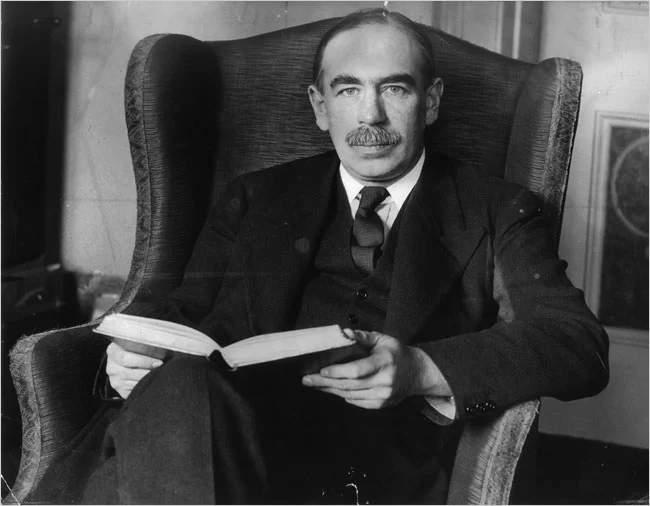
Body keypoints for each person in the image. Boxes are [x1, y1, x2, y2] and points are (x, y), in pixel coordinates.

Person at [31, 8, 609, 505]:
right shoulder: (254, 198)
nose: (371, 116)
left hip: (363, 472)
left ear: (431, 101)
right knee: (181, 392)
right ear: (319, 105)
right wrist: (133, 359)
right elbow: (181, 316)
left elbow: (576, 342)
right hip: (221, 439)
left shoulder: (497, 209)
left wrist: (419, 369)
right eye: (348, 90)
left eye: (395, 89)